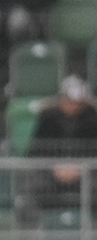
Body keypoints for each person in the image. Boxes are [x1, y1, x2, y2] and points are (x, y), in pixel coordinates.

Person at [29, 76, 97, 211]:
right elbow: (36, 149)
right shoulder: (48, 117)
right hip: (51, 172)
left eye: (78, 102)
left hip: (86, 172)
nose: (73, 105)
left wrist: (80, 168)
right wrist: (54, 167)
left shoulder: (92, 118)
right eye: (70, 101)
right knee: (34, 185)